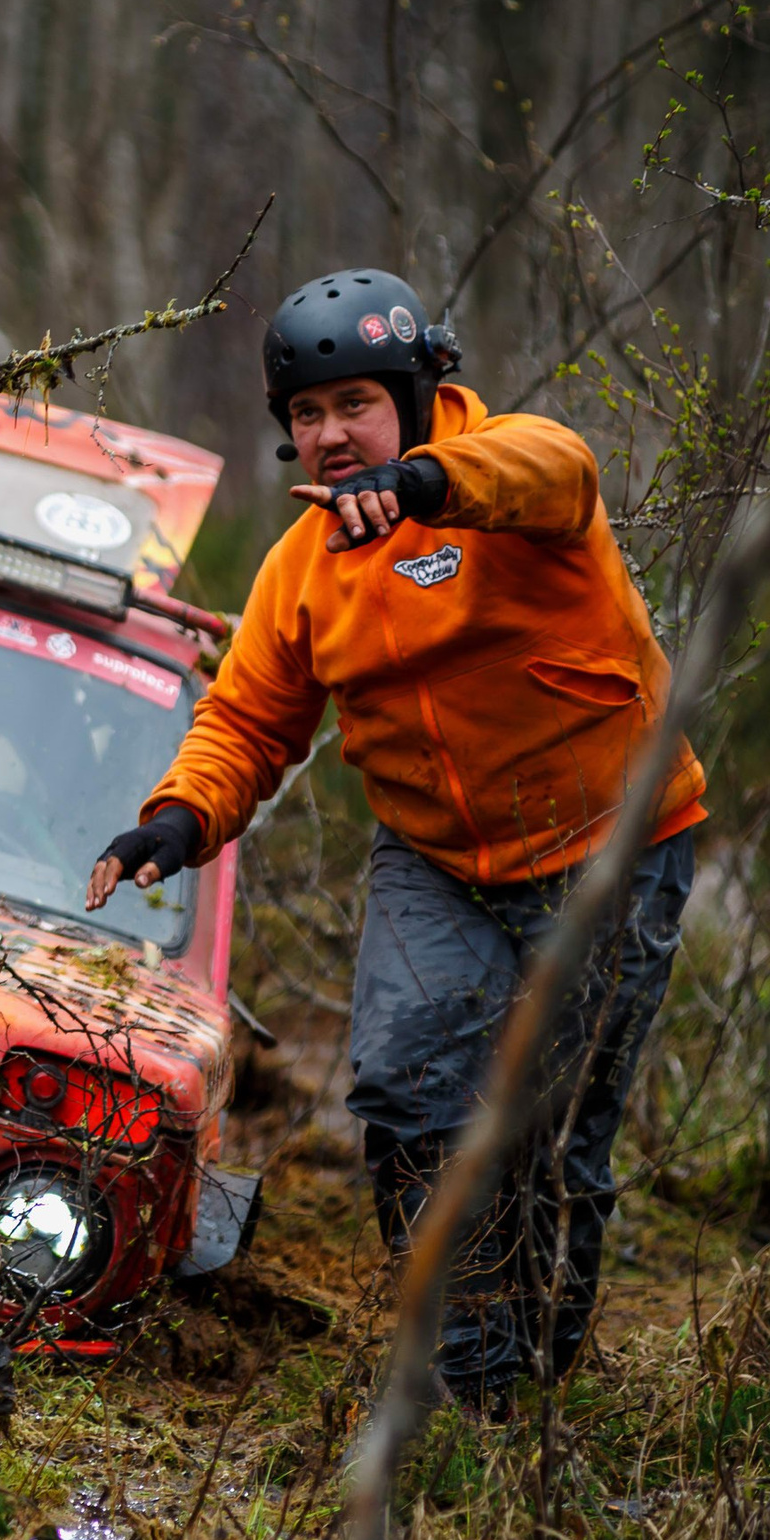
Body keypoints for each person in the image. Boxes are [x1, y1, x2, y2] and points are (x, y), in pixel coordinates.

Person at [85, 268, 704, 1411]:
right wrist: (177, 815)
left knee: (555, 1144)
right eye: (305, 416)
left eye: (354, 404)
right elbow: (245, 717)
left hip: (609, 848)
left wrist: (425, 485)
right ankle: (473, 1386)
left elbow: (555, 470)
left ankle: (543, 1374)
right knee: (413, 1097)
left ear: (420, 395)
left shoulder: (514, 474)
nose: (328, 434)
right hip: (436, 864)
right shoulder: (302, 569)